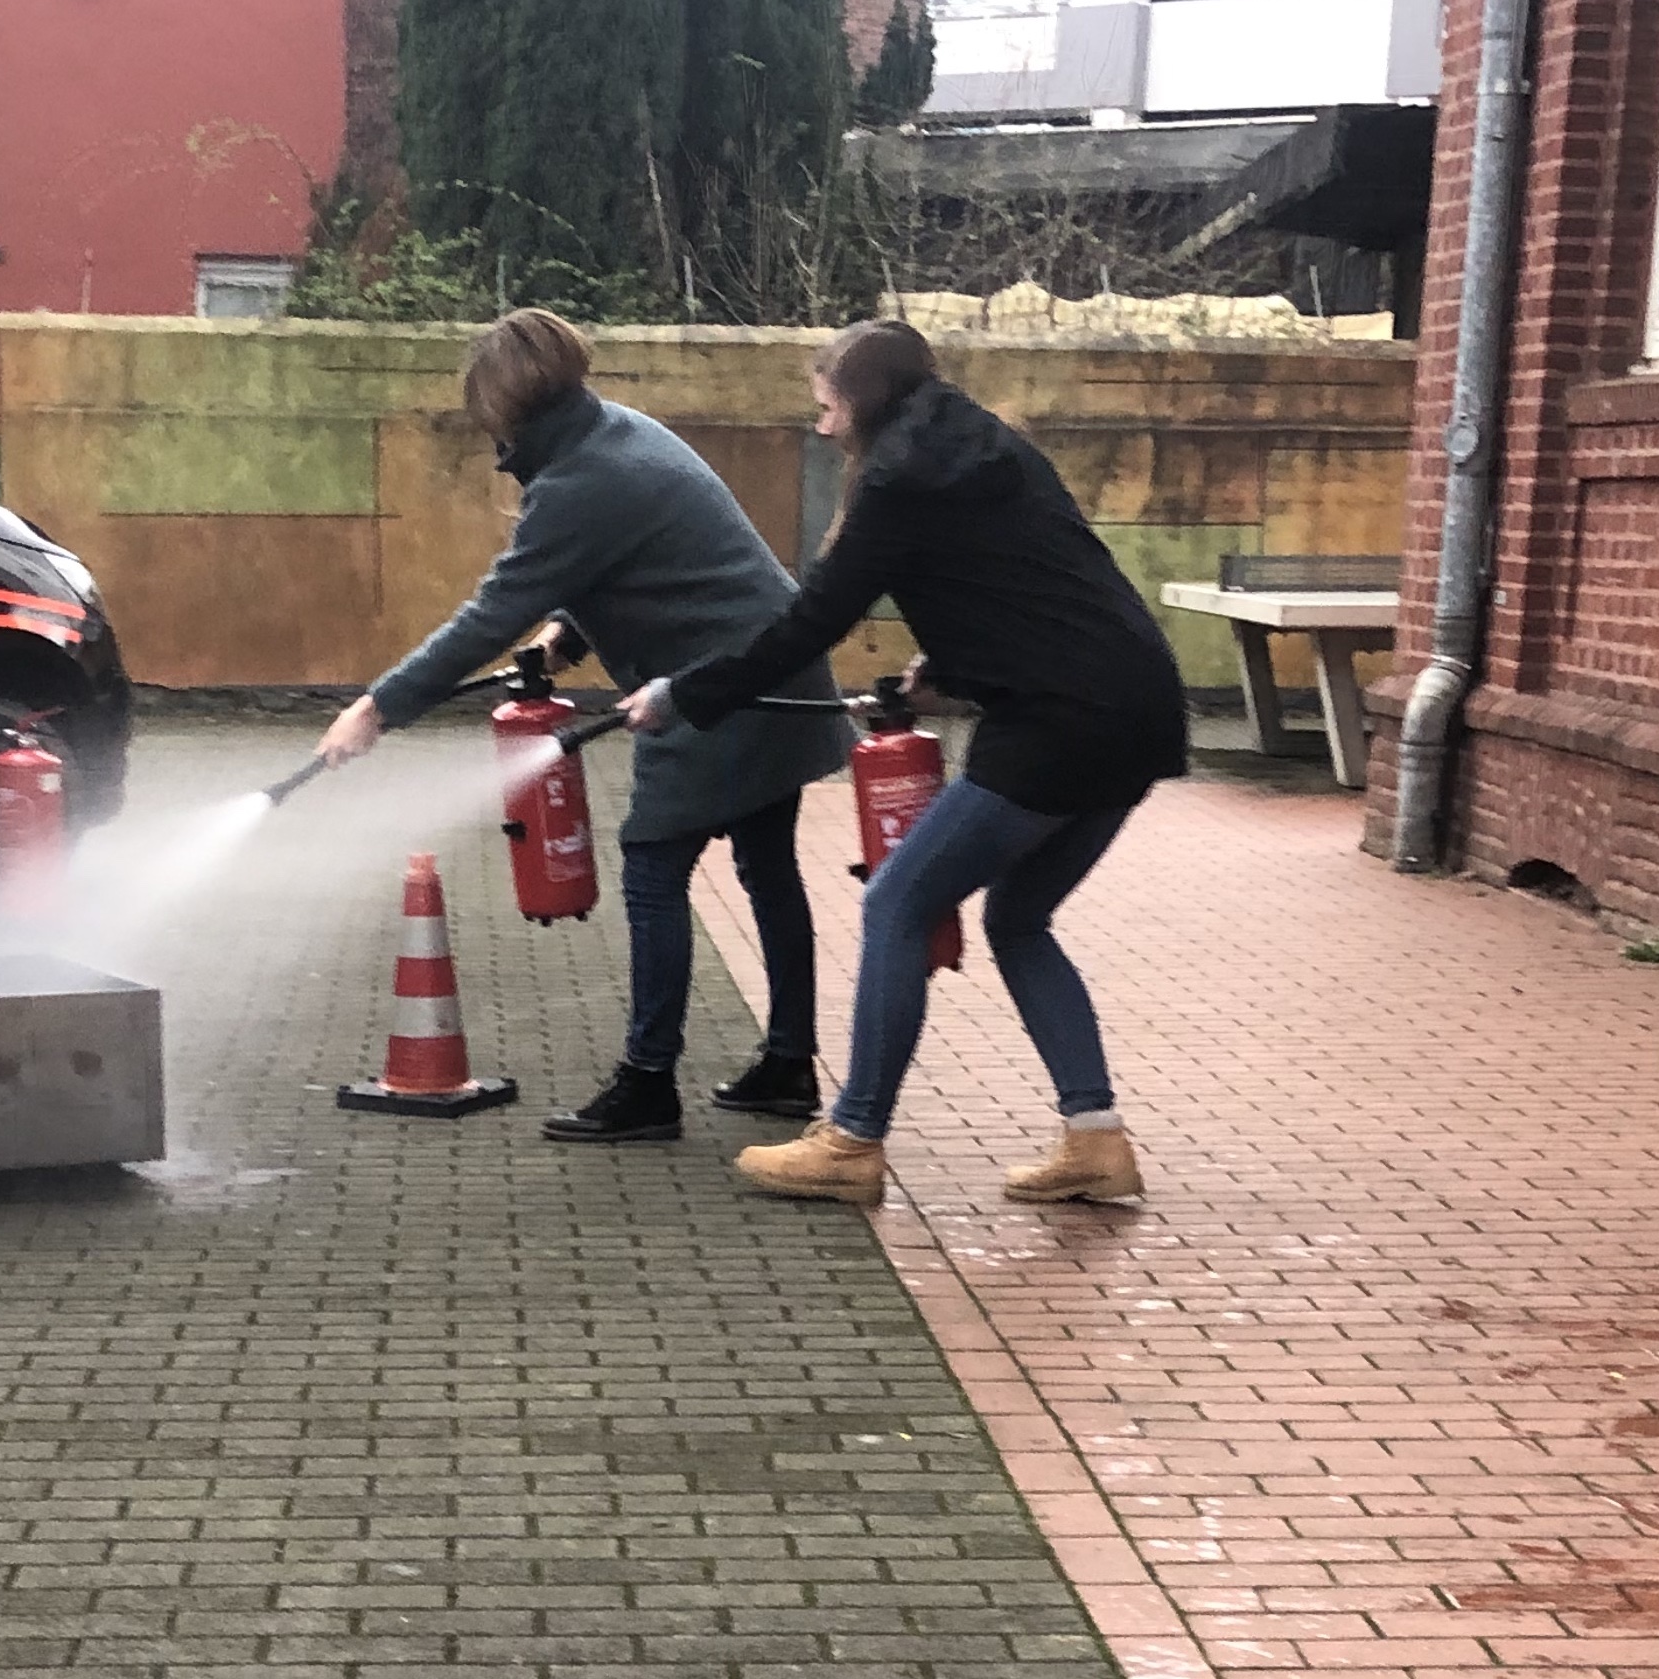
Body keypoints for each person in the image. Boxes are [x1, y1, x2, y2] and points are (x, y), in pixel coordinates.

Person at [623, 319, 1188, 1204]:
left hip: (1055, 725)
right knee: (1019, 918)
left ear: (862, 402)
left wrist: (681, 695)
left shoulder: (894, 482)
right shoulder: (989, 447)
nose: (821, 428)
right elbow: (1029, 588)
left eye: (826, 407)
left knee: (896, 902)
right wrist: (950, 672)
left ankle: (852, 1140)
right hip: (1141, 703)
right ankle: (1095, 1139)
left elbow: (809, 624)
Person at [317, 309, 856, 1143]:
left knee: (652, 868)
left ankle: (648, 1084)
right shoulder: (616, 431)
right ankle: (787, 1064)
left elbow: (489, 616)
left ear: (505, 405)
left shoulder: (578, 480)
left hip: (718, 690)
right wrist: (569, 631)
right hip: (768, 670)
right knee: (766, 868)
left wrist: (377, 706)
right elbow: (640, 552)